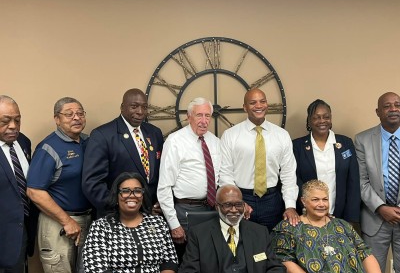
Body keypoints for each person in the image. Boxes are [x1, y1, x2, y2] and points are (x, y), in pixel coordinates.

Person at [273, 180, 397, 273]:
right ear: (303, 201)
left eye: (325, 199)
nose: (321, 204)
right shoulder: (290, 228)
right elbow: (284, 260)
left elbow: (366, 254)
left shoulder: (342, 225)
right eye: (315, 199)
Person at [27, 97, 92, 273]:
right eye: (69, 114)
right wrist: (66, 221)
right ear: (57, 119)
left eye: (80, 112)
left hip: (86, 220)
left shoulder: (88, 142)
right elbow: (34, 191)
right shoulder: (48, 148)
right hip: (58, 225)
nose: (76, 118)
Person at [178, 185, 286, 273]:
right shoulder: (199, 234)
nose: (234, 210)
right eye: (227, 205)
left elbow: (277, 269)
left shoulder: (259, 232)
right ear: (217, 207)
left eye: (238, 205)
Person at [219, 88, 299, 231]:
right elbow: (225, 173)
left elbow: (288, 174)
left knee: (272, 247)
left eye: (262, 101)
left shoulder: (282, 135)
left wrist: (290, 206)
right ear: (245, 107)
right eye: (253, 102)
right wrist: (237, 203)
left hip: (272, 200)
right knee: (241, 247)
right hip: (242, 199)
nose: (259, 106)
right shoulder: (230, 135)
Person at [82, 88, 163, 218]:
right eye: (134, 107)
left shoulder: (154, 133)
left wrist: (159, 203)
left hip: (151, 216)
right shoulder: (103, 135)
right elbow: (92, 183)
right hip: (117, 216)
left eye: (144, 107)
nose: (140, 112)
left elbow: (159, 175)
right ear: (122, 107)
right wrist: (123, 207)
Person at [354, 91, 400, 273]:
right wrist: (381, 207)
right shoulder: (363, 139)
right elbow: (361, 181)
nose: (393, 109)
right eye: (387, 106)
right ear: (378, 112)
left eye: (397, 105)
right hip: (375, 218)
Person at [157, 97, 220, 246]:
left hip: (212, 210)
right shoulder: (175, 142)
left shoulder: (216, 142)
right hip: (185, 212)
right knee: (189, 258)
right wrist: (174, 224)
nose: (204, 121)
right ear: (189, 116)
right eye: (199, 115)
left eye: (207, 115)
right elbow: (164, 186)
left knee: (210, 256)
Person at [0, 95, 38, 273]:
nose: (13, 126)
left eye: (17, 119)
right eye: (5, 121)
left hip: (19, 236)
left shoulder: (23, 143)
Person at [292, 99, 360, 222]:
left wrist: (352, 217)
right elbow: (294, 180)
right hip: (308, 215)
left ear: (331, 118)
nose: (322, 121)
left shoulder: (345, 143)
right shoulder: (297, 146)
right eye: (316, 117)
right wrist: (309, 207)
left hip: (341, 214)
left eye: (326, 117)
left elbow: (353, 181)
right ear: (309, 120)